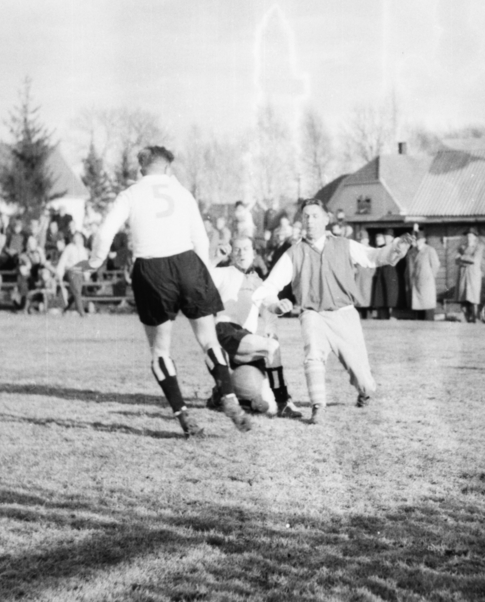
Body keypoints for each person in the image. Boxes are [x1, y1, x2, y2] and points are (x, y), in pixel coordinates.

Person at [86, 145, 251, 438]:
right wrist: (203, 276)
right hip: (187, 263)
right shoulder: (181, 192)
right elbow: (200, 238)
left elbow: (104, 232)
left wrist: (94, 261)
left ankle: (182, 413)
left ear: (141, 169)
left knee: (160, 348)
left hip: (151, 270)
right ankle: (228, 395)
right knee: (208, 339)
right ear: (166, 168)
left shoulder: (131, 194)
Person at [251, 197, 411, 424]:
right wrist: (275, 304)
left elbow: (373, 257)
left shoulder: (344, 245)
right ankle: (318, 407)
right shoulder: (293, 253)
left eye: (315, 216)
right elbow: (269, 286)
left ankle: (365, 391)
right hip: (312, 314)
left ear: (326, 219)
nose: (310, 221)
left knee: (364, 379)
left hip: (344, 314)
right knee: (313, 354)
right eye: (305, 216)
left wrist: (396, 248)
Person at [206, 236, 303, 418]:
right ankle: (284, 402)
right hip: (225, 332)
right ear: (231, 254)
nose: (242, 253)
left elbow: (271, 304)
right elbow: (197, 276)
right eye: (237, 249)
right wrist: (215, 259)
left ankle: (219, 395)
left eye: (246, 249)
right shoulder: (224, 272)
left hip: (245, 340)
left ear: (254, 254)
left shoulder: (259, 282)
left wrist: (280, 306)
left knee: (263, 404)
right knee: (272, 347)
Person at [55, 229, 91, 314]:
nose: (77, 239)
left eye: (78, 237)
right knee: (77, 291)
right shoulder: (69, 248)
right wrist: (59, 273)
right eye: (75, 237)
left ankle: (65, 309)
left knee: (76, 292)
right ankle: (81, 312)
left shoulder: (82, 249)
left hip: (79, 273)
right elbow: (63, 261)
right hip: (71, 272)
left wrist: (87, 274)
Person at [408, 228, 440, 320]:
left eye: (419, 239)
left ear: (424, 240)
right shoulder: (412, 252)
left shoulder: (430, 250)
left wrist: (430, 277)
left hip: (427, 283)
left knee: (428, 305)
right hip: (416, 282)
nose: (417, 242)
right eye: (415, 240)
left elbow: (436, 265)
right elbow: (410, 268)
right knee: (418, 306)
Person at [455, 229, 483, 323]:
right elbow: (456, 261)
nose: (469, 238)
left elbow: (474, 260)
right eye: (467, 236)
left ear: (475, 238)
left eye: (471, 236)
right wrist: (464, 260)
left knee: (473, 298)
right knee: (463, 298)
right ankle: (465, 320)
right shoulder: (462, 248)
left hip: (473, 277)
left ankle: (475, 319)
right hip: (463, 276)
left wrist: (462, 258)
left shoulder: (478, 247)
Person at [370, 231, 400, 319]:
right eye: (385, 237)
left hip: (393, 274)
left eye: (389, 237)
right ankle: (383, 316)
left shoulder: (396, 248)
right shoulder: (382, 248)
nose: (387, 239)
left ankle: (393, 315)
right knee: (382, 296)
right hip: (382, 274)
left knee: (391, 296)